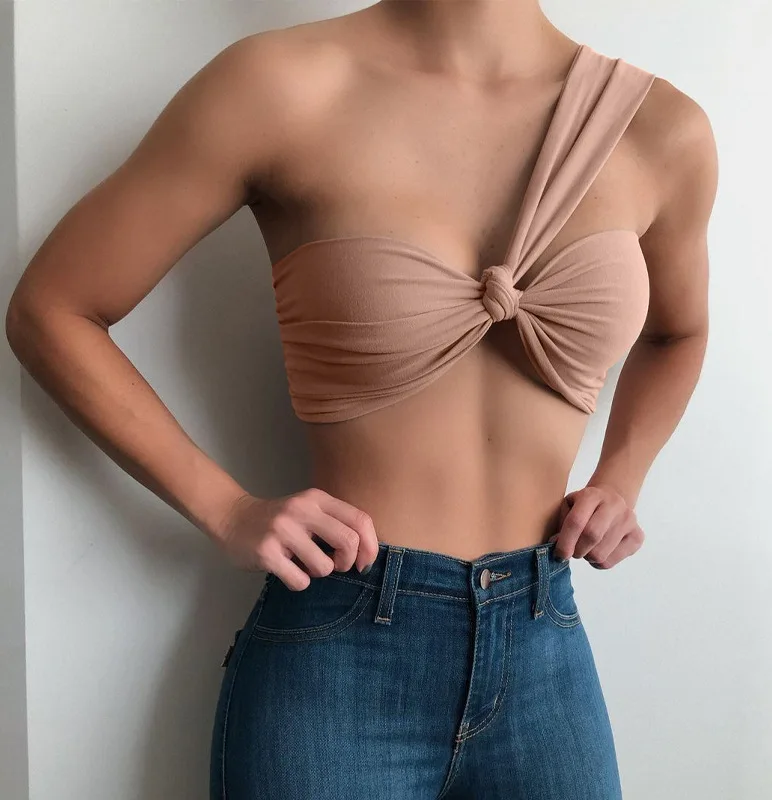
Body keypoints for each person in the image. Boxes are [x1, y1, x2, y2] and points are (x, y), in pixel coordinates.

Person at [5, 1, 717, 798]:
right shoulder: (278, 87)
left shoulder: (660, 128)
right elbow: (51, 309)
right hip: (340, 648)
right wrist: (226, 508)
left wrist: (623, 476)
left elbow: (678, 332)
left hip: (545, 641)